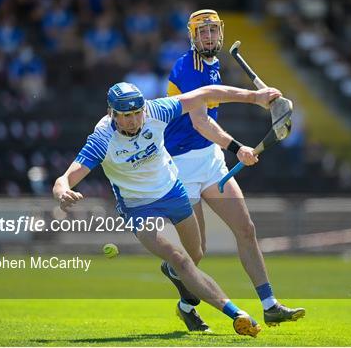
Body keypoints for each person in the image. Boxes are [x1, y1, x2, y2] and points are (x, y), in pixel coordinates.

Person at [53, 82, 282, 337]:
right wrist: (63, 192)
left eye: (137, 113)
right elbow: (64, 179)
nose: (133, 120)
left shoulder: (156, 111)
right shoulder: (102, 139)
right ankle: (236, 314)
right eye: (126, 116)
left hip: (174, 193)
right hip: (139, 209)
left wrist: (254, 97)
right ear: (112, 114)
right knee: (181, 259)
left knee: (196, 254)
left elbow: (205, 94)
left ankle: (178, 282)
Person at [164, 9, 305, 331]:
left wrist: (261, 101)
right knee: (195, 253)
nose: (209, 37)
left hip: (209, 159)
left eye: (213, 31)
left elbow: (215, 110)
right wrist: (237, 146)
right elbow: (200, 121)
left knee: (246, 229)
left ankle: (270, 306)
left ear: (221, 34)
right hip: (181, 164)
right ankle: (184, 292)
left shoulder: (215, 65)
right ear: (192, 36)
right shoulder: (189, 68)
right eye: (203, 32)